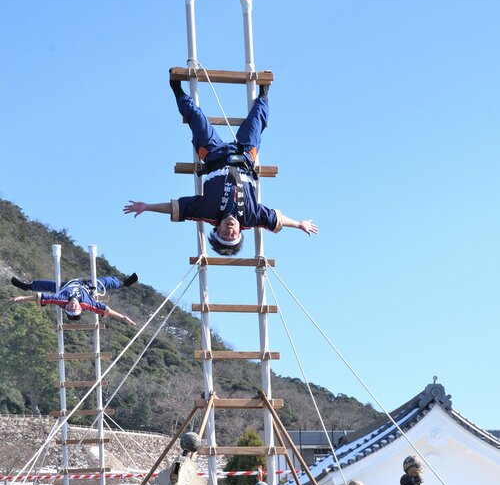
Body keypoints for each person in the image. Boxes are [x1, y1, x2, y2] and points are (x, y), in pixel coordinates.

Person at [123, 76, 318, 256]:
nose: (229, 230)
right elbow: (277, 219)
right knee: (257, 121)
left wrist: (147, 206)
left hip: (213, 155)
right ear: (240, 232)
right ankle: (264, 94)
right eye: (232, 235)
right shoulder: (251, 217)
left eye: (224, 234)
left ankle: (176, 89)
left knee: (196, 118)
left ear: (216, 230)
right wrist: (299, 224)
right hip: (244, 156)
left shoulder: (206, 211)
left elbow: (177, 208)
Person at [9, 274, 138, 324]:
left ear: (67, 308)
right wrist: (122, 317)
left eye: (70, 308)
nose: (73, 305)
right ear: (80, 308)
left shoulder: (61, 300)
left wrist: (21, 298)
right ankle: (123, 283)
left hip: (64, 286)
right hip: (87, 287)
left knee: (46, 284)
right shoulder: (87, 304)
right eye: (75, 308)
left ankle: (27, 286)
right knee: (106, 282)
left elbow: (39, 297)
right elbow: (106, 310)